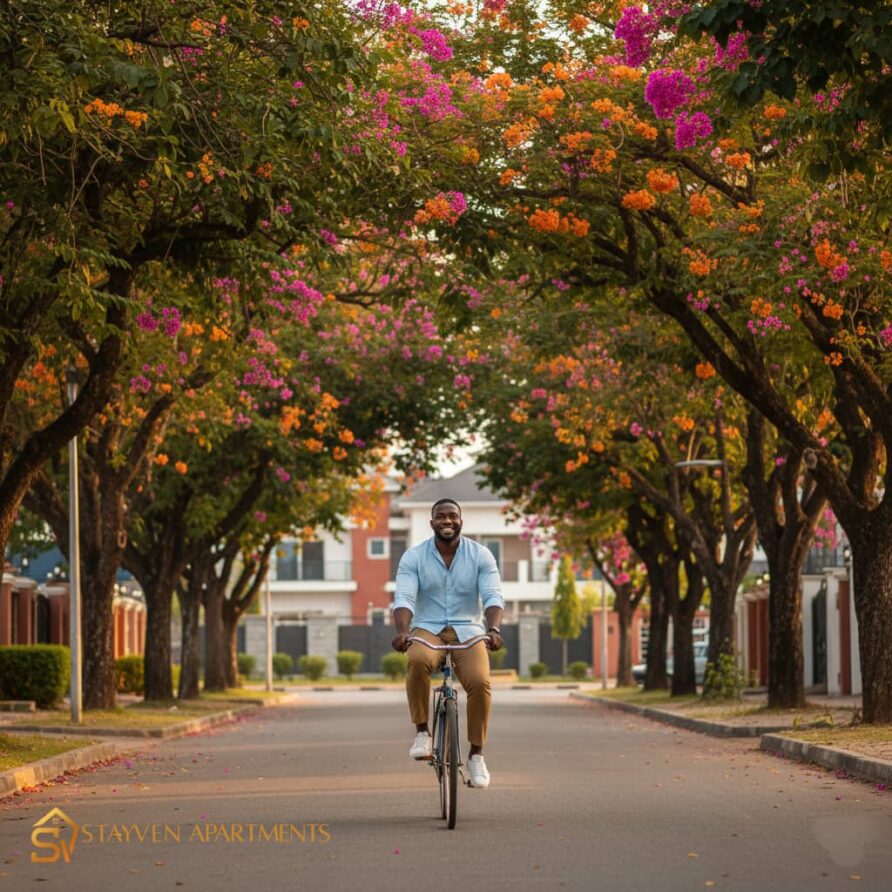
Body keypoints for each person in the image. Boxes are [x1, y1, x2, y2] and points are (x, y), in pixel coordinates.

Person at [391, 498, 504, 789]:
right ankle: (422, 733)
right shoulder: (413, 557)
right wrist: (403, 631)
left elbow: (493, 596)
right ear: (432, 523)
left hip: (468, 630)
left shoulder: (481, 555)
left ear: (460, 522)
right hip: (428, 629)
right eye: (440, 516)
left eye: (452, 516)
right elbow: (403, 598)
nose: (447, 521)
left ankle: (477, 755)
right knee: (417, 660)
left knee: (480, 682)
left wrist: (493, 629)